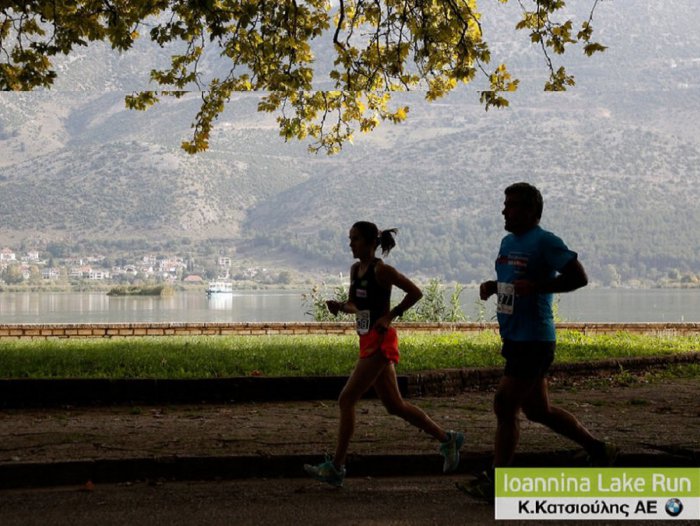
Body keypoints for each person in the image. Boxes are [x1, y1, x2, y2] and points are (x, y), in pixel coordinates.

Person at [460, 182, 618, 501]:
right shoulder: (507, 241)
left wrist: (540, 286)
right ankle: (598, 449)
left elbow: (579, 278)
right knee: (538, 411)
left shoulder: (546, 241)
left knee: (504, 404)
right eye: (505, 203)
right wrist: (494, 286)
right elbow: (513, 284)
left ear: (532, 210)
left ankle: (497, 479)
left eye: (513, 204)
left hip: (535, 339)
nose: (505, 209)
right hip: (514, 337)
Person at [304, 221, 464, 487]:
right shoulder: (356, 270)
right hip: (366, 339)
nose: (350, 244)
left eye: (354, 239)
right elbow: (356, 305)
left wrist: (390, 316)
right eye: (349, 238)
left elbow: (416, 293)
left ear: (369, 243)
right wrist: (341, 306)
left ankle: (336, 467)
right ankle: (448, 439)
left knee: (346, 399)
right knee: (394, 405)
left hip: (380, 342)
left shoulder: (383, 271)